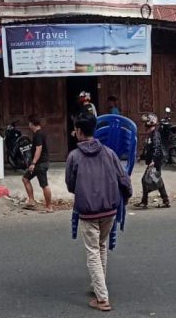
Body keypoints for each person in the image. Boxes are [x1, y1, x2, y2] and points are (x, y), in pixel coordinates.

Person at [65, 113, 132, 312]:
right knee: (101, 247)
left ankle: (102, 298)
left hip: (88, 211)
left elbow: (70, 185)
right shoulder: (109, 153)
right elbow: (124, 180)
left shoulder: (74, 157)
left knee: (93, 252)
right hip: (109, 209)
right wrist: (125, 199)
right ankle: (98, 287)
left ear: (78, 131)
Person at [134, 113, 170, 209]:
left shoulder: (155, 134)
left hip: (155, 162)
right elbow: (147, 148)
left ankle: (145, 202)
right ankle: (165, 201)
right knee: (156, 180)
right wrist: (141, 157)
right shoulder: (150, 134)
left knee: (148, 180)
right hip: (153, 161)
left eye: (146, 123)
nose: (144, 125)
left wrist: (153, 160)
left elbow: (157, 148)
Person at [21, 115, 53, 213]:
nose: (29, 125)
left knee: (44, 185)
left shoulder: (38, 135)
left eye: (29, 123)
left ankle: (49, 207)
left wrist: (33, 163)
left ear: (32, 123)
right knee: (25, 178)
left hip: (40, 164)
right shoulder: (39, 133)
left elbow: (39, 149)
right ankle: (31, 201)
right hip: (40, 163)